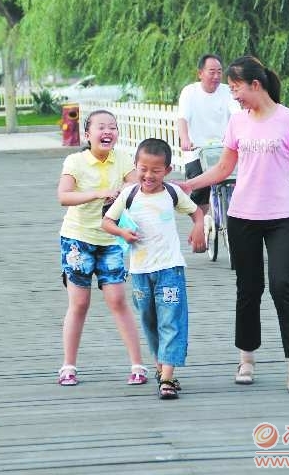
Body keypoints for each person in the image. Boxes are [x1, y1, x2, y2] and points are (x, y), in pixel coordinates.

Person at [181, 55, 289, 393]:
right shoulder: (237, 122)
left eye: (236, 88)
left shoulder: (288, 119)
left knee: (282, 285)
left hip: (281, 217)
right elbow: (223, 168)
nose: (233, 95)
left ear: (255, 84)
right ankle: (246, 359)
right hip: (242, 216)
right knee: (248, 289)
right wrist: (190, 184)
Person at [101, 138, 205, 400]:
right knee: (149, 321)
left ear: (167, 170)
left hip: (170, 269)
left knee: (171, 320)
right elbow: (107, 222)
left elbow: (196, 212)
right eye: (143, 169)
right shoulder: (129, 195)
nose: (148, 175)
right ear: (135, 166)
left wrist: (198, 227)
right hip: (140, 271)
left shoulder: (172, 193)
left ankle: (168, 377)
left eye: (156, 170)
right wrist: (122, 233)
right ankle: (160, 369)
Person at [57, 109, 148, 386]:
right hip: (77, 238)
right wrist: (98, 194)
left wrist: (126, 190)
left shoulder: (122, 159)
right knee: (79, 303)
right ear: (88, 134)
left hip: (111, 239)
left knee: (118, 300)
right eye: (101, 127)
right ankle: (68, 366)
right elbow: (63, 196)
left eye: (112, 127)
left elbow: (138, 184)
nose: (108, 131)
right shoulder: (75, 161)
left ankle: (137, 365)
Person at [177, 53, 239, 214]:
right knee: (200, 192)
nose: (216, 76)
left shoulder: (227, 91)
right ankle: (200, 223)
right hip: (197, 150)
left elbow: (237, 116)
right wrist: (185, 139)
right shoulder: (189, 92)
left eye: (219, 72)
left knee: (236, 186)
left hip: (224, 149)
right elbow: (182, 118)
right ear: (200, 73)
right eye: (212, 72)